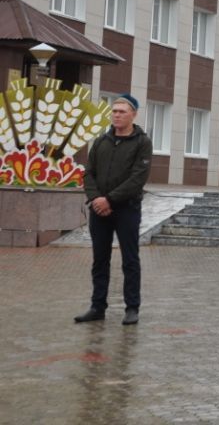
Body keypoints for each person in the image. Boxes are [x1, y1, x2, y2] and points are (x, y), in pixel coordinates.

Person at [74, 93, 153, 325]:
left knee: (130, 259)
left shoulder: (142, 143)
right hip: (99, 211)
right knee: (100, 259)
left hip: (126, 210)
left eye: (122, 111)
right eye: (114, 111)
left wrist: (109, 200)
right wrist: (96, 199)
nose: (117, 115)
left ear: (133, 115)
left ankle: (132, 308)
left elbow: (138, 178)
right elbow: (88, 173)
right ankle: (97, 307)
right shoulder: (101, 142)